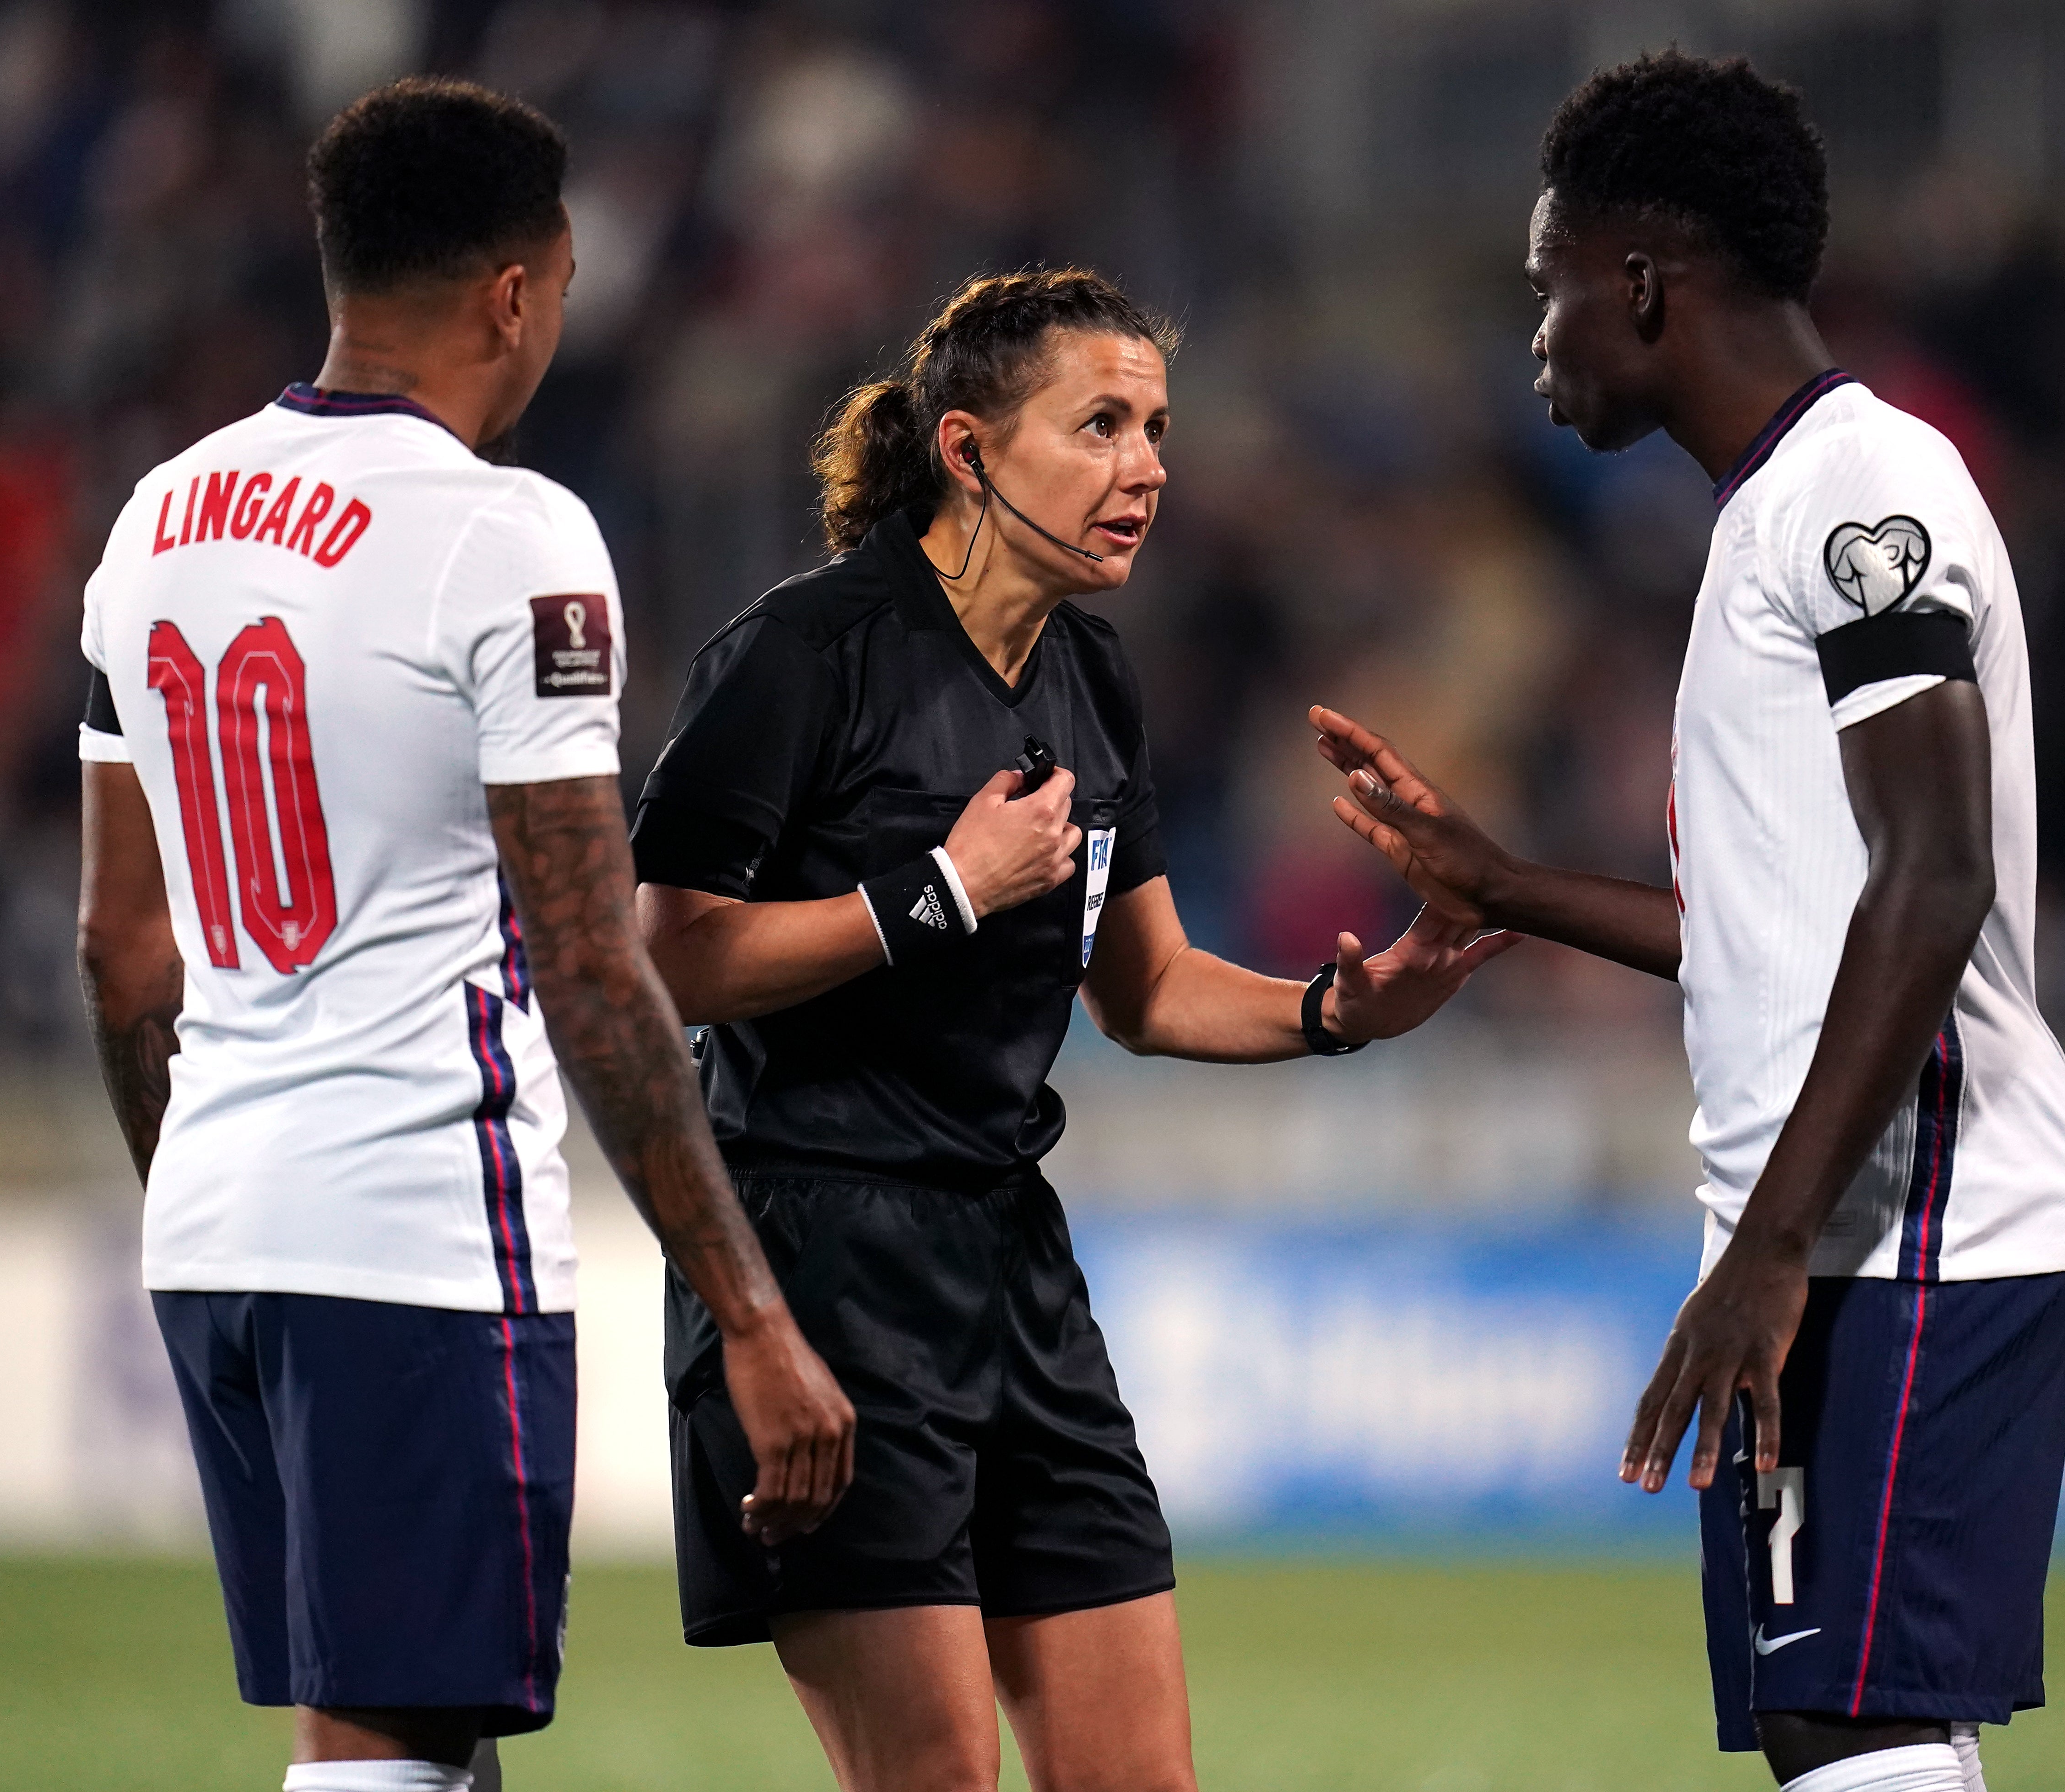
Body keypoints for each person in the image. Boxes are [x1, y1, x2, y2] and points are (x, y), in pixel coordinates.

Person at [1312, 53, 2065, 1792]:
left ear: (1644, 283)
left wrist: (1768, 1253)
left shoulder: (1861, 493)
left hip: (1913, 1229)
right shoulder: (1769, 510)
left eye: (1550, 288)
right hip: (1832, 1230)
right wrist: (1511, 886)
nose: (1537, 336)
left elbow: (1934, 879)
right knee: (1850, 1724)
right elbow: (1796, 929)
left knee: (1855, 1719)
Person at [629, 267, 1513, 1792]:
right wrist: (941, 891)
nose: (1149, 466)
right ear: (967, 451)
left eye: (1157, 428)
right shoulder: (803, 658)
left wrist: (1338, 1012)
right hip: (815, 1259)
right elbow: (667, 960)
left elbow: (1150, 988)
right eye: (1099, 425)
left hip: (1013, 1269)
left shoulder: (1092, 674)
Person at [74, 78, 852, 1792]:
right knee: (390, 1752)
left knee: (401, 1731)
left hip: (216, 1228)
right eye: (564, 288)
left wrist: (226, 1195)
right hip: (413, 1229)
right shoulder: (509, 535)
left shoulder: (151, 524)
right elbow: (589, 960)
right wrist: (755, 1319)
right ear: (518, 289)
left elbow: (122, 951)